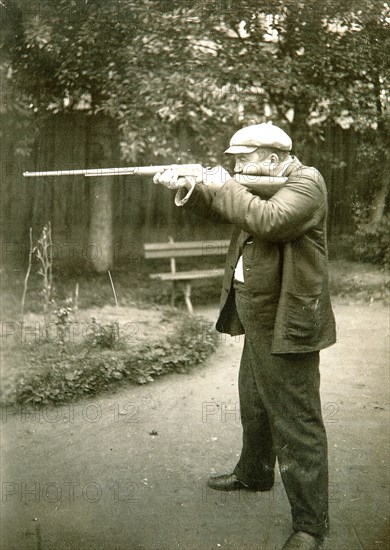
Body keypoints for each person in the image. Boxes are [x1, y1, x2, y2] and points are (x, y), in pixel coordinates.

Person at [153, 123, 337, 550]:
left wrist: (221, 181)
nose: (235, 166)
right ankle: (254, 473)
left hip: (286, 314)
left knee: (296, 421)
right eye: (232, 160)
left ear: (272, 160)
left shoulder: (307, 184)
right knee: (253, 402)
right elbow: (228, 209)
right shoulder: (258, 184)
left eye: (242, 159)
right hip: (254, 308)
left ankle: (311, 525)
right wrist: (190, 187)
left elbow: (267, 221)